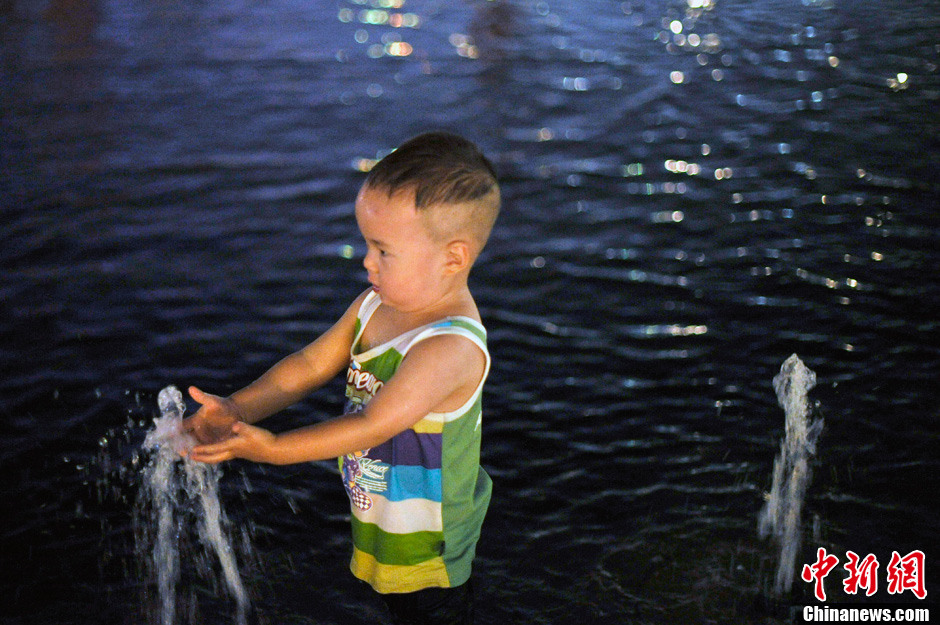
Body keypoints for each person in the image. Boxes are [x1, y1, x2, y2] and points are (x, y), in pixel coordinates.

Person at [183, 131, 500, 625]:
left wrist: (273, 449)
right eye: (365, 244)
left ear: (453, 258)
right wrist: (239, 409)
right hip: (383, 518)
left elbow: (374, 425)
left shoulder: (449, 347)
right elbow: (310, 366)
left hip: (429, 549)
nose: (366, 261)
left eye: (383, 250)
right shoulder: (376, 304)